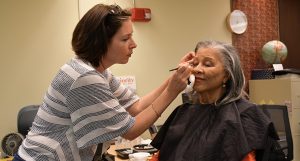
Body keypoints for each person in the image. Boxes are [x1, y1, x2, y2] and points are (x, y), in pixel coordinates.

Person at [14, 4, 193, 161]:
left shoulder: (98, 72)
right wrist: (172, 92)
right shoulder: (84, 77)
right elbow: (131, 131)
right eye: (125, 39)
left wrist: (173, 78)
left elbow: (136, 106)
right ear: (100, 42)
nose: (134, 44)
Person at [150, 40, 278, 161]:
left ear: (226, 75)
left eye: (207, 64)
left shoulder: (245, 114)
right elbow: (161, 156)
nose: (196, 69)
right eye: (194, 64)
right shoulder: (182, 112)